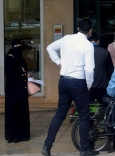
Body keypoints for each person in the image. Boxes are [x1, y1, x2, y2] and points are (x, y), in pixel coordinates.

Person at [43, 19, 99, 156]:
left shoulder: (66, 39)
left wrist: (58, 62)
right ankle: (84, 149)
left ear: (78, 28)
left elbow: (49, 47)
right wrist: (89, 85)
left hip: (63, 81)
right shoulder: (88, 45)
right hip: (78, 82)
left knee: (60, 114)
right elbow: (90, 69)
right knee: (84, 115)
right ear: (90, 31)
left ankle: (47, 145)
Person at [4, 39, 30, 143]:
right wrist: (23, 75)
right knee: (14, 112)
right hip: (13, 91)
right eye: (16, 45)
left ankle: (23, 134)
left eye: (20, 45)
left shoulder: (20, 58)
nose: (18, 47)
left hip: (21, 90)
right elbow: (11, 75)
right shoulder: (10, 58)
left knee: (22, 111)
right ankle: (14, 135)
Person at [88, 33, 113, 102]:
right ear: (98, 41)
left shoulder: (84, 52)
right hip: (102, 84)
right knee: (103, 106)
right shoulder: (105, 52)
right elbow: (110, 70)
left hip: (88, 85)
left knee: (88, 106)